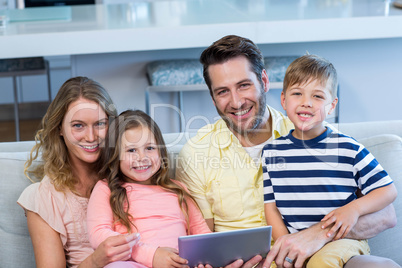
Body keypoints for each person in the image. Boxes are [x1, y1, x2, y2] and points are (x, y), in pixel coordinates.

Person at [176, 35, 398, 267]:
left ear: (264, 80)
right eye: (222, 91)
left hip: (318, 257)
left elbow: (386, 215)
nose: (236, 101)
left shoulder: (310, 129)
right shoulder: (195, 154)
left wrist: (317, 234)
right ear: (212, 98)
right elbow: (202, 242)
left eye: (244, 85)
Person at [262, 54, 398, 268]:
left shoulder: (348, 148)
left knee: (323, 262)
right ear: (283, 100)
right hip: (298, 243)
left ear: (331, 105)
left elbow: (388, 191)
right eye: (297, 93)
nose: (306, 102)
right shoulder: (271, 152)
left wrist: (354, 209)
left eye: (317, 96)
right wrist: (284, 244)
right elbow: (271, 208)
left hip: (342, 242)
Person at [17, 77, 141, 268]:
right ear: (59, 128)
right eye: (78, 126)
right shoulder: (44, 198)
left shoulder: (132, 173)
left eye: (100, 124)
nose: (91, 137)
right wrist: (95, 260)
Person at [87, 109, 211, 268]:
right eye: (131, 150)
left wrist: (206, 259)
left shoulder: (179, 190)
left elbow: (202, 234)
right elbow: (99, 235)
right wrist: (152, 255)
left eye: (150, 148)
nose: (142, 157)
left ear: (160, 151)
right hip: (133, 263)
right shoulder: (106, 189)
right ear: (115, 155)